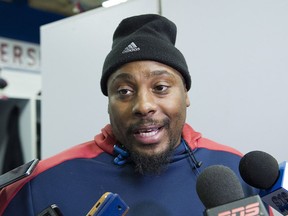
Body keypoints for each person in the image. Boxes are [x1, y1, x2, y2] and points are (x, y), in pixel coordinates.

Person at [0, 14, 273, 216]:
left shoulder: (238, 172)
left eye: (161, 87)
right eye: (124, 91)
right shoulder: (42, 183)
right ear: (108, 102)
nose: (143, 105)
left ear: (186, 95)